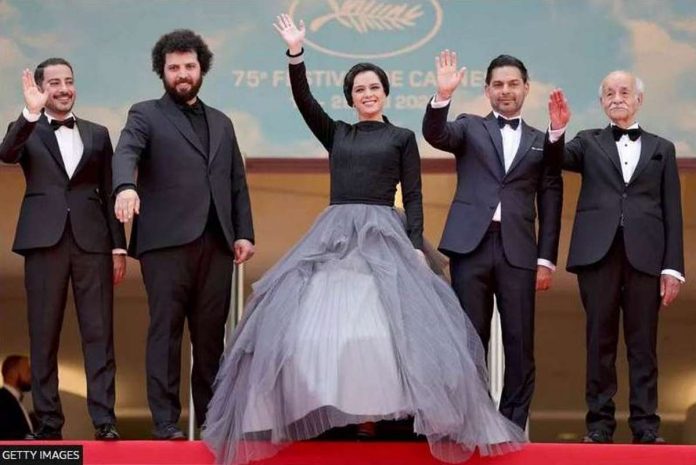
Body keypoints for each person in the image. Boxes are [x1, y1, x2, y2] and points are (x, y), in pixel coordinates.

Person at [202, 15, 525, 465]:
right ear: (351, 99)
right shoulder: (338, 133)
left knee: (385, 331)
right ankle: (338, 414)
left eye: (374, 87)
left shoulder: (402, 138)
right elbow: (303, 100)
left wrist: (414, 244)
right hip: (335, 235)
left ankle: (382, 417)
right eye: (359, 90)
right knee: (326, 330)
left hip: (386, 235)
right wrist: (296, 53)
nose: (367, 94)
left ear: (385, 93)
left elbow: (413, 196)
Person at [112, 29, 255, 440]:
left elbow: (236, 183)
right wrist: (125, 186)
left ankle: (211, 421)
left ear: (201, 69)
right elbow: (127, 152)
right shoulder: (145, 114)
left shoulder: (222, 123)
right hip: (166, 244)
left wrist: (243, 232)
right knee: (166, 331)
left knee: (211, 337)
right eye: (173, 68)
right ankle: (164, 422)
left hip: (216, 242)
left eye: (189, 66)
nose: (182, 74)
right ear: (162, 72)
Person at [421, 51, 564, 429]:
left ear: (526, 88)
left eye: (513, 84)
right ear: (487, 91)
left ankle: (512, 425)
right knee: (470, 338)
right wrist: (442, 95)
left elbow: (551, 195)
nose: (505, 91)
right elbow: (435, 134)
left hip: (519, 250)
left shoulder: (541, 140)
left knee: (520, 342)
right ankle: (475, 420)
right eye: (498, 84)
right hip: (471, 246)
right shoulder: (469, 127)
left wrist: (546, 259)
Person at [548, 71, 684, 444]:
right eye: (609, 93)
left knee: (643, 345)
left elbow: (673, 211)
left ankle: (646, 426)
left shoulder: (662, 148)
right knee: (599, 342)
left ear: (638, 99)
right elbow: (554, 158)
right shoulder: (587, 142)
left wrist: (673, 267)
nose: (617, 97)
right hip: (598, 254)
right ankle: (599, 426)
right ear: (602, 101)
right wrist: (557, 130)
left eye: (624, 92)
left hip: (647, 256)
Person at [0, 59, 127, 440]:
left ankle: (105, 421)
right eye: (54, 82)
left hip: (93, 242)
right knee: (43, 335)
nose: (63, 88)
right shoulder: (28, 129)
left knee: (99, 333)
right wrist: (29, 112)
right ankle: (50, 423)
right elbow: (6, 153)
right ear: (41, 88)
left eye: (69, 81)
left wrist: (118, 248)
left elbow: (109, 190)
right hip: (44, 242)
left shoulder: (98, 133)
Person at [0, 355, 33, 439]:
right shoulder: (2, 401)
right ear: (12, 373)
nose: (31, 376)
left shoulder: (15, 402)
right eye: (28, 371)